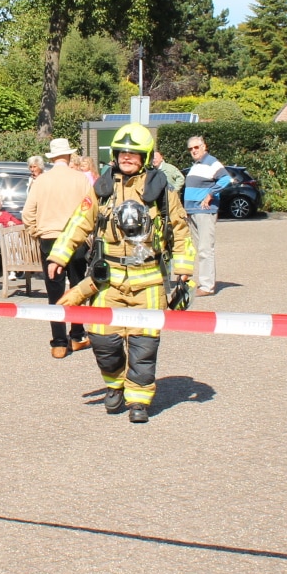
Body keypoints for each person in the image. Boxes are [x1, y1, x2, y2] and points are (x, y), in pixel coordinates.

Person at [47, 123, 194, 425]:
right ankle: (114, 384)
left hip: (149, 279)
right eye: (122, 152)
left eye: (134, 153)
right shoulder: (101, 190)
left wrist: (183, 270)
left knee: (144, 345)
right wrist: (59, 255)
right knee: (103, 341)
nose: (127, 157)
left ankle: (138, 401)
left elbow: (180, 230)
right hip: (108, 280)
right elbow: (79, 222)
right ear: (115, 155)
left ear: (145, 156)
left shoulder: (163, 192)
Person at [22, 138, 93, 358]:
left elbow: (27, 214)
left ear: (52, 158)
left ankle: (59, 343)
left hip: (50, 238)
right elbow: (91, 209)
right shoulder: (81, 179)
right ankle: (78, 335)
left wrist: (36, 230)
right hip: (76, 238)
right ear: (70, 156)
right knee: (78, 288)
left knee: (54, 290)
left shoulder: (41, 181)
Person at [183, 135, 233, 297]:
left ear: (204, 146)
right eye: (190, 149)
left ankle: (207, 286)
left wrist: (210, 195)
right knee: (199, 249)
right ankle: (202, 281)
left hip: (204, 211)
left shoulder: (211, 161)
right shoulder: (196, 165)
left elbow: (226, 179)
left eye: (196, 147)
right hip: (193, 212)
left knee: (205, 249)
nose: (193, 151)